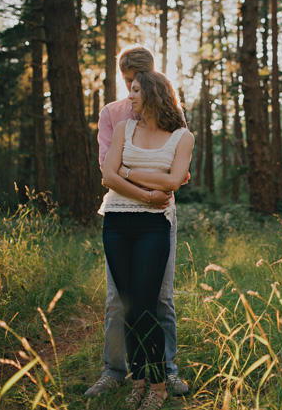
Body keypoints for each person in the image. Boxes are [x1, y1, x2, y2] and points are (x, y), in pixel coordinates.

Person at [85, 46, 190, 398]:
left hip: (161, 214)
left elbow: (179, 172)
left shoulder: (172, 113)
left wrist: (139, 179)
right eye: (127, 80)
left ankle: (167, 371)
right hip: (121, 212)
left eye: (137, 81)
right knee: (119, 300)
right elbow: (108, 170)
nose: (132, 88)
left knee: (160, 298)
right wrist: (144, 187)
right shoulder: (114, 114)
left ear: (151, 76)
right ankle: (117, 370)